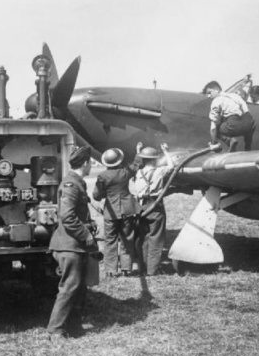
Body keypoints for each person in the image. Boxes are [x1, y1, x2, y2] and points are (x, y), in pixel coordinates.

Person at [47, 146, 98, 339]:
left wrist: (89, 223)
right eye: (90, 162)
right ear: (85, 163)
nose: (91, 165)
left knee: (79, 287)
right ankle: (56, 331)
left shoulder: (77, 183)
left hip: (75, 245)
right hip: (69, 245)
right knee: (69, 287)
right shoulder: (71, 184)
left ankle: (74, 327)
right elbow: (67, 217)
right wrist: (86, 235)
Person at [92, 144, 142, 277]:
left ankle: (111, 270)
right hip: (127, 209)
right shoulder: (125, 172)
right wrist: (138, 151)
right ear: (119, 160)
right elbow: (136, 164)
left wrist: (105, 194)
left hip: (111, 212)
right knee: (127, 239)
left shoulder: (102, 176)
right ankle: (126, 268)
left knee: (110, 240)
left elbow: (96, 196)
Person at [133, 143, 174, 276]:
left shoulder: (138, 172)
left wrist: (138, 151)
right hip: (155, 205)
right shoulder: (160, 171)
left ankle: (143, 268)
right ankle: (152, 270)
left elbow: (137, 163)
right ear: (154, 160)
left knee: (143, 238)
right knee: (156, 238)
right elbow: (172, 166)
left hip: (141, 206)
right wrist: (166, 151)